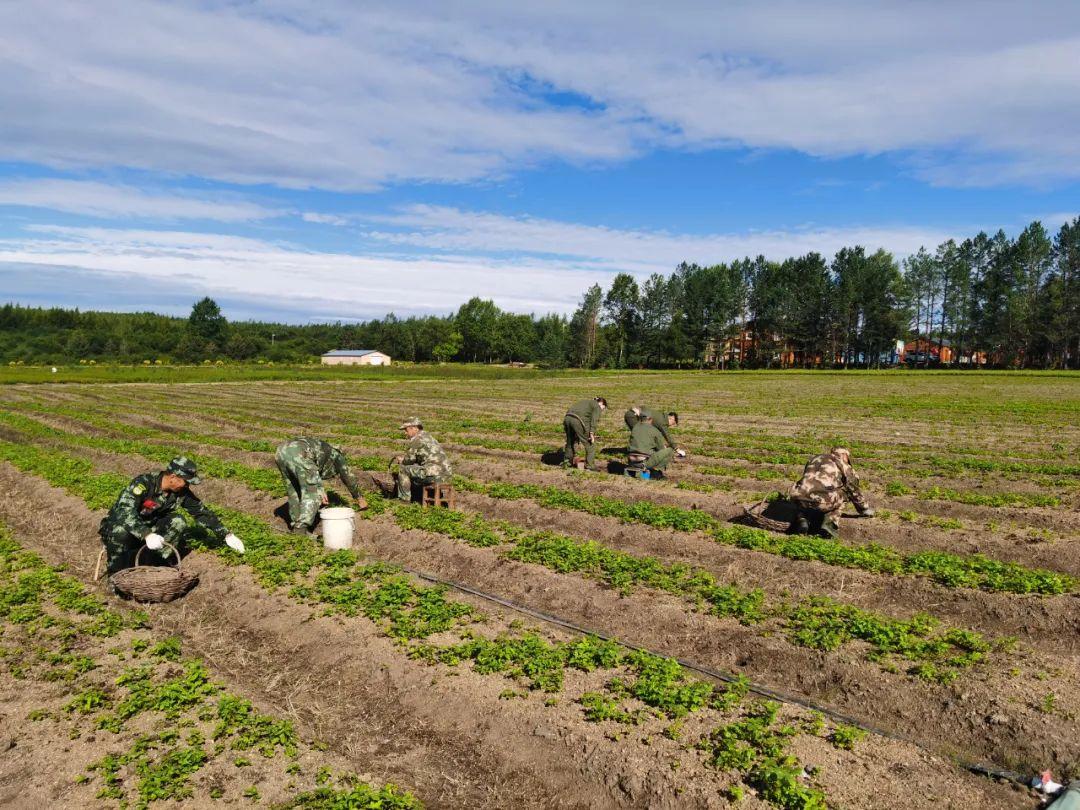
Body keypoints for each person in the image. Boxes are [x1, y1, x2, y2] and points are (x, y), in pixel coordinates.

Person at [98, 456, 244, 576]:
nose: (187, 486)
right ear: (173, 477)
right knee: (120, 532)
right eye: (185, 482)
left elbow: (201, 512)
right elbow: (124, 512)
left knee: (178, 521)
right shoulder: (144, 484)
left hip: (150, 529)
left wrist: (226, 535)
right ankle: (116, 575)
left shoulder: (181, 493)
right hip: (121, 528)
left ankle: (153, 564)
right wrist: (146, 534)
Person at [275, 437, 368, 535]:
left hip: (281, 451)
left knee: (294, 491)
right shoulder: (337, 456)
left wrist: (320, 487)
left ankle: (296, 525)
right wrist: (359, 498)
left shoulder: (324, 449)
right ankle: (300, 530)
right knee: (312, 492)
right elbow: (348, 477)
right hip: (300, 453)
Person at [789, 447, 874, 538]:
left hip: (797, 497)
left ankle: (802, 519)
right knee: (845, 494)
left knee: (805, 492)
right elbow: (853, 488)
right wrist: (863, 508)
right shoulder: (842, 463)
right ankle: (830, 523)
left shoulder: (814, 459)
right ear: (844, 455)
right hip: (823, 501)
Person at [393, 417, 453, 501]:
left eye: (406, 430)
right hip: (446, 474)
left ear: (414, 428)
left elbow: (408, 461)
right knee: (416, 470)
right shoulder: (429, 437)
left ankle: (404, 499)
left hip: (433, 474)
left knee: (403, 470)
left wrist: (401, 460)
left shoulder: (417, 440)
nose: (405, 433)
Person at [563, 396, 607, 470]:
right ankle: (590, 466)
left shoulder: (584, 401)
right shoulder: (596, 406)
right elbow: (594, 420)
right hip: (578, 420)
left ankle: (567, 463)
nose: (602, 410)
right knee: (590, 444)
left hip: (567, 418)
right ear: (601, 403)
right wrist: (592, 433)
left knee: (570, 442)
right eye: (603, 408)